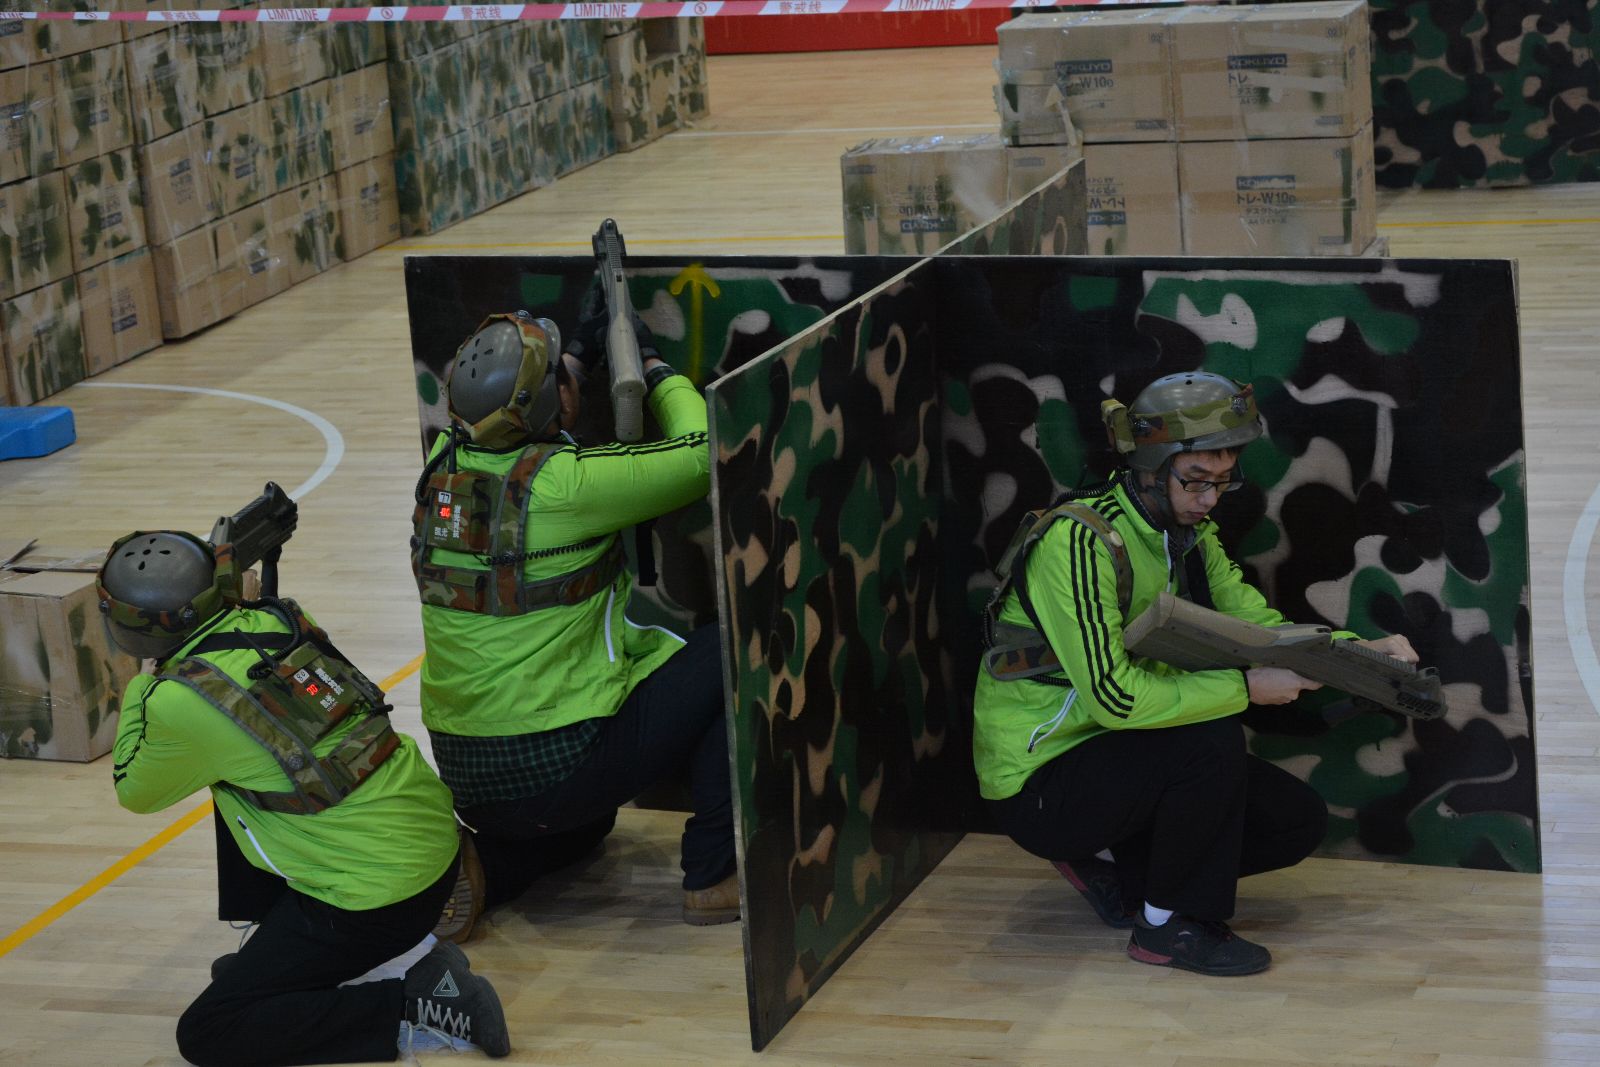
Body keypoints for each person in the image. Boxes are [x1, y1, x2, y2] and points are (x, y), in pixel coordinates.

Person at [973, 371, 1418, 976]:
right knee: (1209, 740)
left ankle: (1117, 873)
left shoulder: (1186, 537)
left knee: (1293, 821)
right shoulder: (1079, 542)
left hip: (1125, 760)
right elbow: (1114, 699)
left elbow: (1263, 630)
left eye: (1223, 480)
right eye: (1196, 480)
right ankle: (1167, 928)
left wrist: (1360, 654)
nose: (1210, 498)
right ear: (1150, 468)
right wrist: (1244, 688)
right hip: (1043, 779)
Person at [99, 528, 511, 1064]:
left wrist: (143, 683)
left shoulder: (176, 700)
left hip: (376, 901)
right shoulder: (277, 619)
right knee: (251, 772)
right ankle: (280, 959)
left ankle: (416, 1000)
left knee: (208, 1031)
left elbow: (134, 791)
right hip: (431, 842)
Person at [412, 300, 735, 938]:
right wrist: (651, 364)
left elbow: (519, 420)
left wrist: (576, 360)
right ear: (552, 401)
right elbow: (704, 452)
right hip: (555, 764)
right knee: (728, 655)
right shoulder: (569, 485)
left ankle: (485, 868)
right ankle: (713, 875)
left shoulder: (440, 472)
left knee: (585, 828)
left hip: (471, 778)